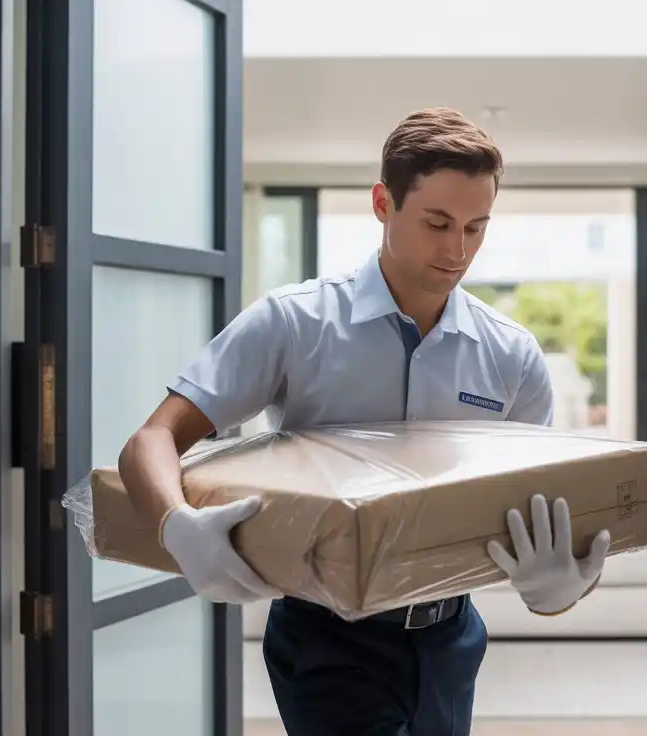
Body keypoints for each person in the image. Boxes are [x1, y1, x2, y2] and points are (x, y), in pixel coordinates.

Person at [117, 107, 610, 735]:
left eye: (476, 227)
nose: (457, 249)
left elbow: (541, 506)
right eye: (437, 222)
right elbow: (152, 439)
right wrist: (176, 529)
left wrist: (562, 588)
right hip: (327, 638)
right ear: (383, 203)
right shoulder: (293, 324)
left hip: (451, 638)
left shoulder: (510, 355)